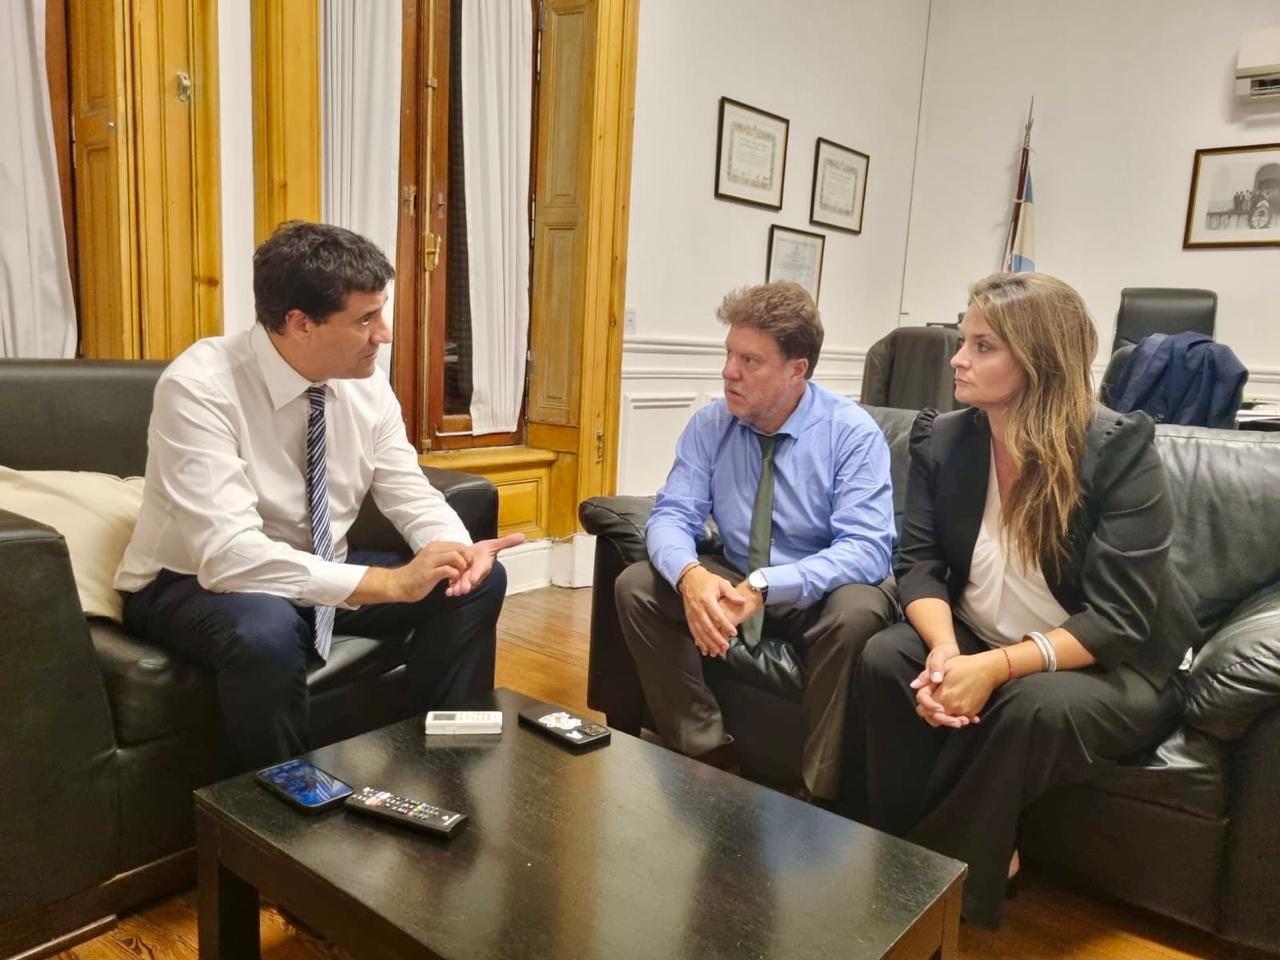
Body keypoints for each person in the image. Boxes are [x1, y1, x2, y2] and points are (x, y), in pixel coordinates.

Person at [841, 272, 1196, 928]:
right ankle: (942, 859)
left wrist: (995, 668)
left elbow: (1119, 620)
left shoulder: (1118, 449)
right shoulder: (944, 439)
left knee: (1031, 704)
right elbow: (917, 564)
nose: (957, 357)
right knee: (888, 657)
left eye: (983, 346)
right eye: (963, 339)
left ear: (1037, 360)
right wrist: (948, 652)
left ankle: (925, 888)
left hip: (1108, 663)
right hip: (979, 632)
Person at [116, 221, 523, 771]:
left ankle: (445, 761)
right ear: (300, 323)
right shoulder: (199, 386)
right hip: (189, 579)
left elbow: (408, 490)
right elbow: (228, 556)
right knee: (265, 628)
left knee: (474, 582)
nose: (384, 333)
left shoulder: (366, 382)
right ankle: (280, 811)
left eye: (382, 311)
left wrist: (453, 549)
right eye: (365, 319)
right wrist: (388, 583)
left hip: (316, 564)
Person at [615, 281, 897, 803]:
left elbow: (867, 547)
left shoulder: (851, 433)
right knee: (637, 585)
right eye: (729, 354)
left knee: (858, 614)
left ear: (797, 371)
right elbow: (672, 513)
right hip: (738, 575)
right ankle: (704, 755)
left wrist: (769, 585)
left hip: (818, 588)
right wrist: (691, 576)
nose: (729, 372)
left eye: (750, 360)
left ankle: (821, 795)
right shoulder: (711, 424)